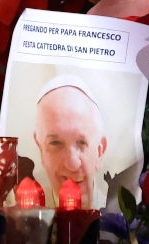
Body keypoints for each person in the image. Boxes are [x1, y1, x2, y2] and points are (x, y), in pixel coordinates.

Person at [33, 75, 107, 209]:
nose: (72, 163)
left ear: (99, 152)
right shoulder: (30, 217)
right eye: (55, 143)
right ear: (41, 149)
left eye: (82, 143)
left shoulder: (122, 217)